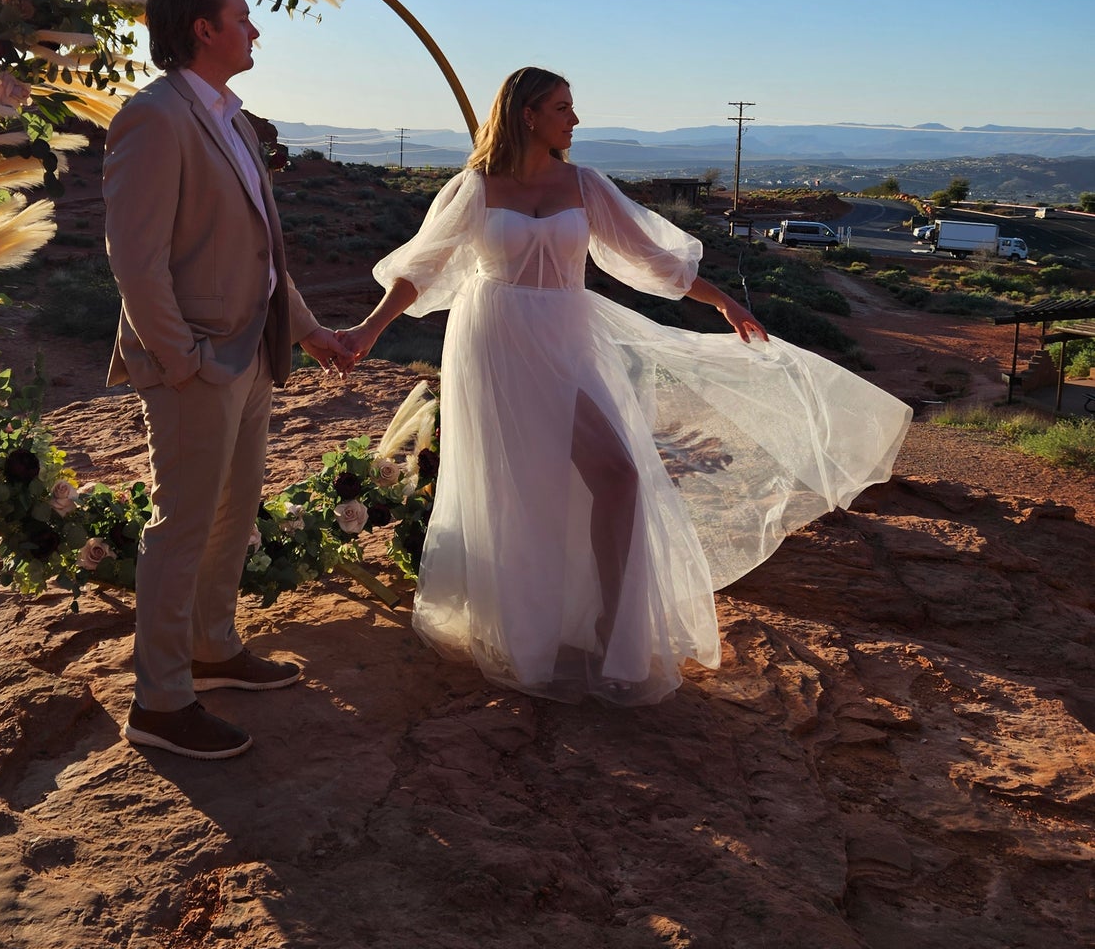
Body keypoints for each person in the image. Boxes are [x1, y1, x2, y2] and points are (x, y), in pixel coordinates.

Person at [337, 67, 910, 705]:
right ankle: (523, 626)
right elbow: (421, 268)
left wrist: (720, 301)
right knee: (519, 480)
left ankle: (614, 622)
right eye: (562, 108)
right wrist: (367, 330)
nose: (574, 120)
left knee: (617, 473)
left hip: (564, 331)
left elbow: (648, 258)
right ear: (527, 114)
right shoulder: (473, 187)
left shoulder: (583, 184)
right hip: (493, 337)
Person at [104, 0, 352, 760]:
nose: (254, 27)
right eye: (241, 16)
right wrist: (183, 360)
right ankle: (160, 699)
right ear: (202, 29)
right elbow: (134, 259)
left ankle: (213, 645)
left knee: (233, 509)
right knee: (180, 525)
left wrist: (306, 329)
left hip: (252, 352)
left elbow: (264, 251)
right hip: (200, 361)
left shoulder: (235, 119)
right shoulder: (154, 117)